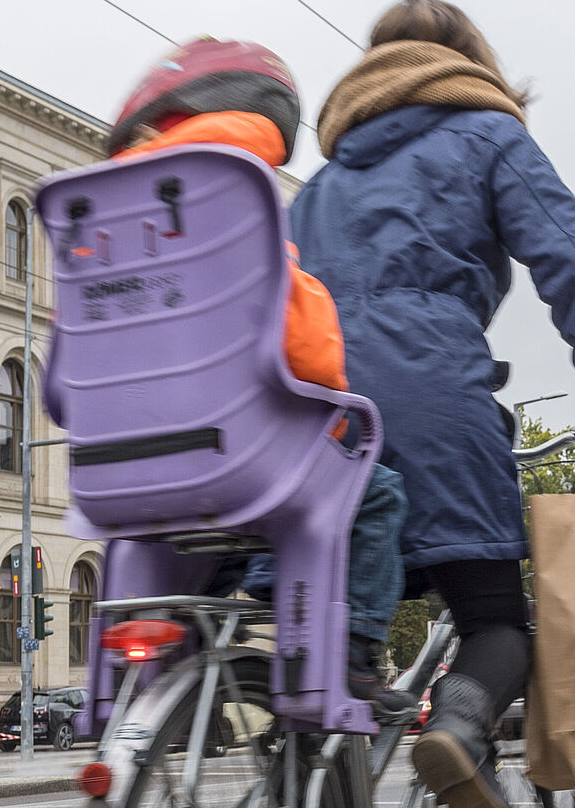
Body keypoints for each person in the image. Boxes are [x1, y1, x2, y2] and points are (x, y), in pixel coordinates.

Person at [291, 0, 575, 808]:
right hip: (427, 395)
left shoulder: (320, 186)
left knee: (333, 641)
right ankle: (459, 730)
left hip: (309, 415)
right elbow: (571, 263)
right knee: (496, 619)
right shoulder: (488, 135)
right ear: (468, 64)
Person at [106, 38, 414, 721]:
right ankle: (354, 653)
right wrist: (331, 388)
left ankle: (177, 651)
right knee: (375, 492)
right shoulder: (232, 187)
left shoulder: (105, 208)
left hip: (122, 467)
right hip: (237, 453)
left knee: (191, 528)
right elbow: (304, 349)